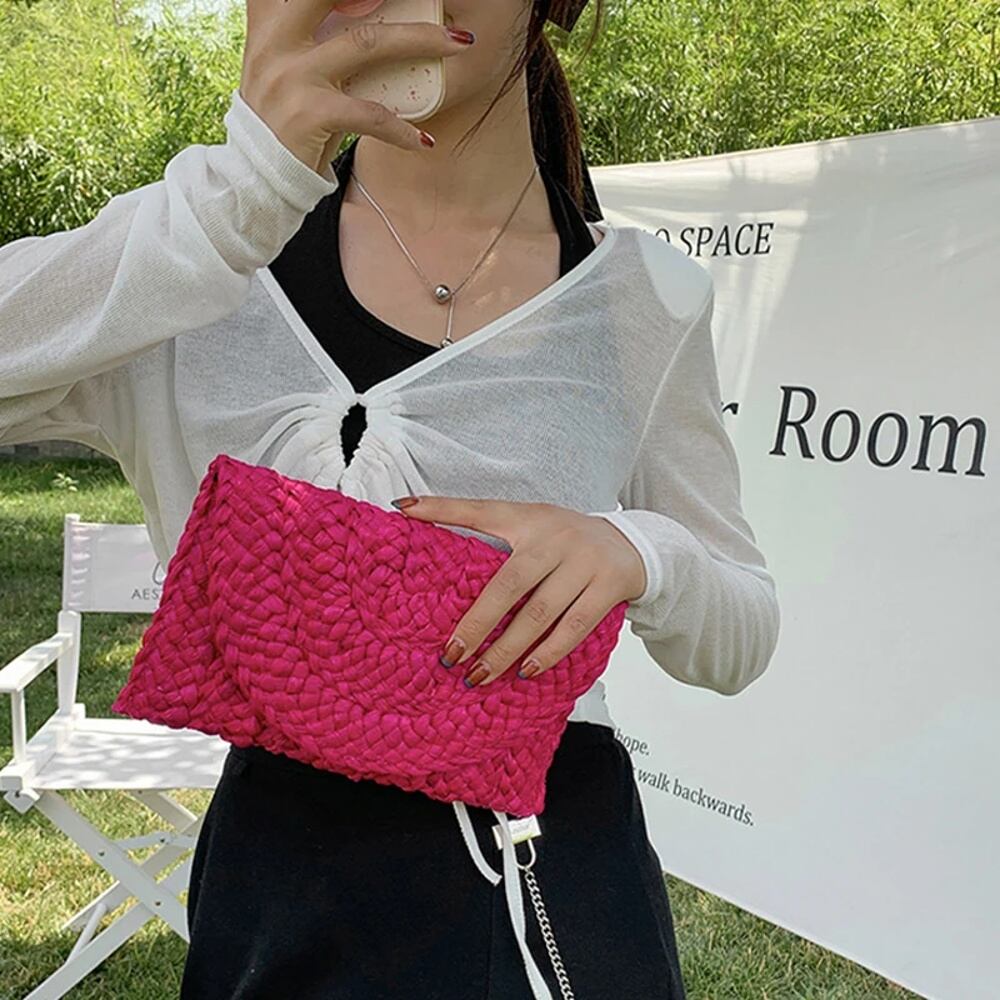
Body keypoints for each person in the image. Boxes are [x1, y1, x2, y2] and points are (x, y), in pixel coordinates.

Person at [0, 1, 780, 996]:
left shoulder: (638, 296)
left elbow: (741, 629)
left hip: (550, 885)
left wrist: (641, 555)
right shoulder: (189, 264)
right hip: (281, 898)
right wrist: (235, 194)